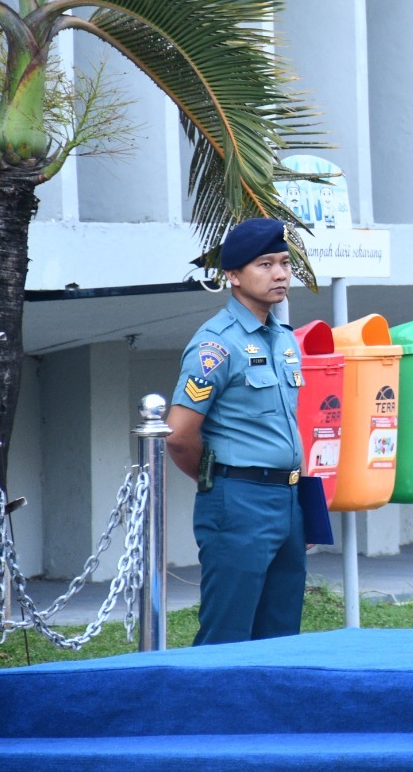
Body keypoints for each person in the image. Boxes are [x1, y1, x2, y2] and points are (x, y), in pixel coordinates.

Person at [166, 218, 307, 646]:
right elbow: (178, 434)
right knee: (227, 632)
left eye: (284, 263)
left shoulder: (283, 338)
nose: (280, 274)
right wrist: (220, 480)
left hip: (287, 499)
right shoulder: (216, 344)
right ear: (233, 275)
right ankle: (203, 714)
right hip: (239, 499)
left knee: (281, 632)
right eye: (265, 264)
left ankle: (269, 715)